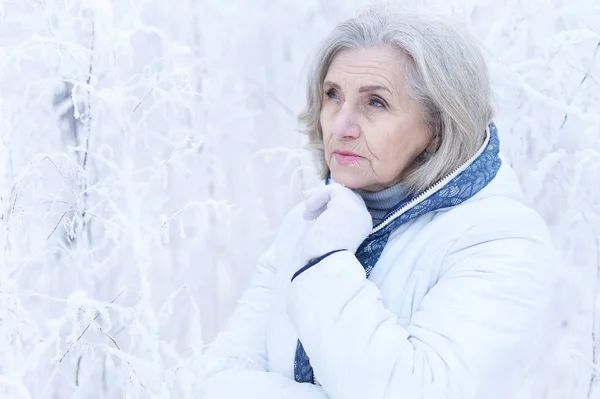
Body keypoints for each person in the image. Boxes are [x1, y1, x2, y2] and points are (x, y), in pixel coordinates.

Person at [199, 6, 557, 399]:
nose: (340, 126)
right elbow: (217, 378)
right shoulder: (312, 220)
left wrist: (330, 259)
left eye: (375, 103)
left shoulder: (502, 241)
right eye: (332, 95)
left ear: (438, 127)